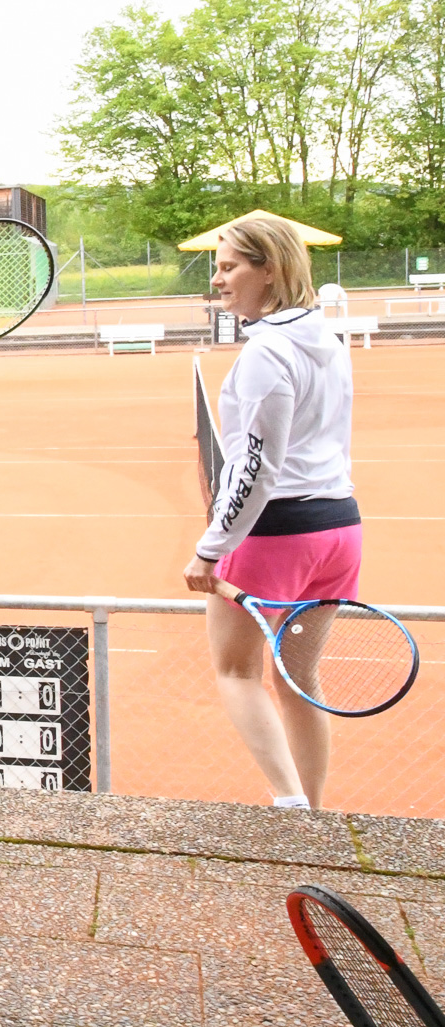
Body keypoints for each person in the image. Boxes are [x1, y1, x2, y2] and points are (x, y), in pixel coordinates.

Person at [182, 216, 359, 811]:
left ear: (271, 270)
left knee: (236, 673)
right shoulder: (330, 345)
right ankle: (312, 809)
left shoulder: (265, 355)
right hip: (339, 530)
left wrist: (210, 549)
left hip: (276, 535)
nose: (218, 277)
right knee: (299, 679)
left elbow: (255, 472)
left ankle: (289, 805)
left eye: (230, 266)